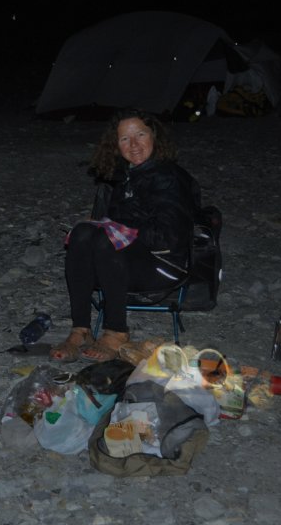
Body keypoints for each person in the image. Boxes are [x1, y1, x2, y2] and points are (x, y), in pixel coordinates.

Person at [49, 108, 199, 362]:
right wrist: (109, 225)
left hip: (163, 266)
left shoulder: (169, 178)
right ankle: (81, 329)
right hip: (120, 265)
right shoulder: (124, 177)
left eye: (140, 135)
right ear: (116, 145)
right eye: (125, 139)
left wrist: (123, 224)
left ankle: (117, 332)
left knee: (105, 239)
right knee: (83, 233)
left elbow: (167, 239)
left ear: (154, 136)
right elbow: (117, 226)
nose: (134, 145)